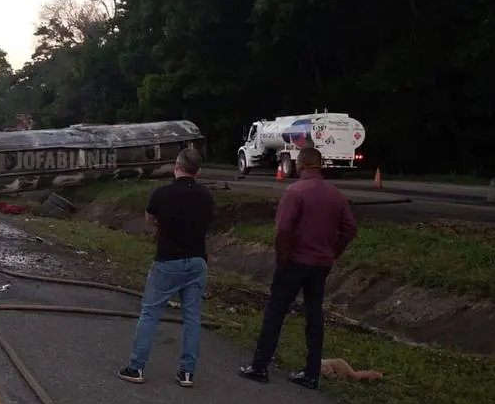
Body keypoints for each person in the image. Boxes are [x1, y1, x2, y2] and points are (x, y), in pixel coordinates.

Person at [238, 146, 358, 389]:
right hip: (321, 264)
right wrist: (334, 252)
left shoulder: (295, 192)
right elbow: (350, 228)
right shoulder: (335, 194)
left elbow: (283, 229)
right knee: (314, 315)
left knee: (276, 312)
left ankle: (260, 366)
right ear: (320, 165)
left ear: (301, 164)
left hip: (295, 261)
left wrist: (283, 257)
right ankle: (311, 373)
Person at [117, 147, 213, 388]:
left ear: (176, 167)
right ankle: (187, 373)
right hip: (198, 262)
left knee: (150, 312)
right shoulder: (206, 196)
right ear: (198, 171)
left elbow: (151, 219)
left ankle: (136, 367)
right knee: (191, 318)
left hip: (168, 261)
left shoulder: (162, 193)